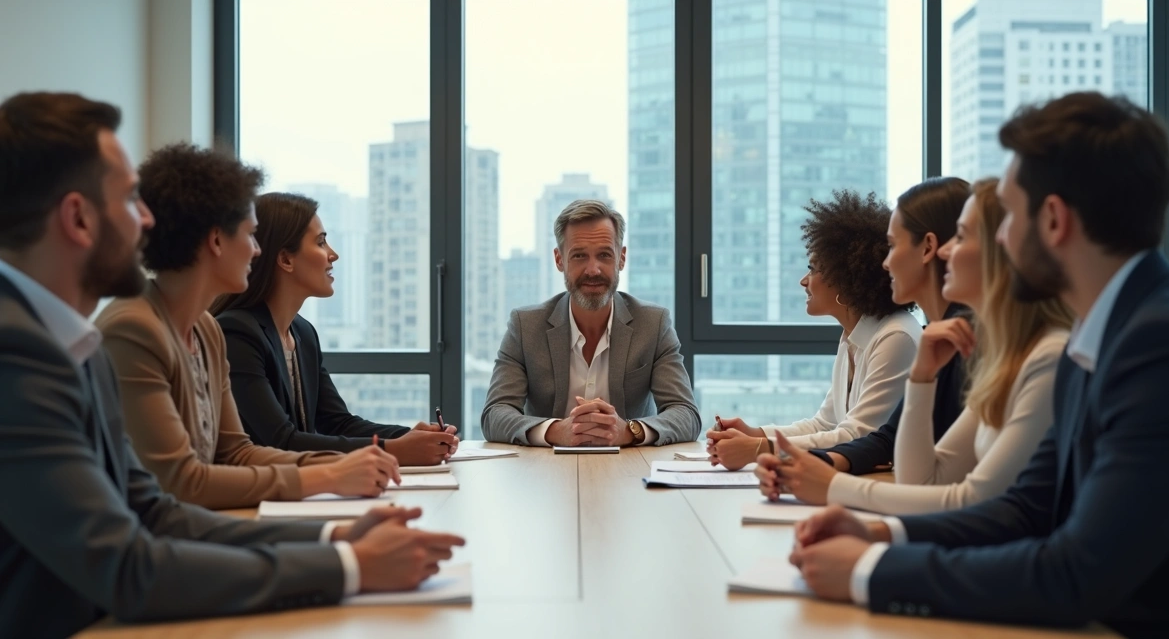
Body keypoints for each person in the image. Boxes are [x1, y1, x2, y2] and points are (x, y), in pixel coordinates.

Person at [0, 92, 464, 638]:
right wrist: (350, 566)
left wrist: (335, 539)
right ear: (78, 218)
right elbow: (129, 564)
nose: (147, 220)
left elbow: (155, 512)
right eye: (130, 200)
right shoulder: (20, 354)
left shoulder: (72, 344)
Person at [781, 93, 1169, 638]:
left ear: (1054, 220)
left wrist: (873, 570)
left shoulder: (1164, 344)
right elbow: (1024, 510)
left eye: (1006, 215)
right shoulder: (1102, 330)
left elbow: (1076, 573)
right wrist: (886, 536)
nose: (997, 239)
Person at [96, 144, 402, 510]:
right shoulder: (134, 330)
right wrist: (328, 475)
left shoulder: (207, 331)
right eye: (251, 235)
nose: (258, 251)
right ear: (216, 240)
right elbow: (181, 482)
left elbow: (237, 453)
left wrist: (351, 463)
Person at [758, 178, 1072, 514]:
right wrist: (921, 378)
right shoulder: (999, 354)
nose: (947, 251)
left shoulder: (1040, 356)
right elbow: (917, 475)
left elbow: (973, 501)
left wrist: (833, 485)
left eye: (962, 238)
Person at [210, 192, 458, 465]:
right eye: (320, 242)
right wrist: (394, 449)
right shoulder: (237, 334)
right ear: (285, 259)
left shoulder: (303, 333)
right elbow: (280, 442)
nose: (333, 254)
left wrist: (413, 437)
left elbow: (338, 423)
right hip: (256, 498)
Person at [708, 190, 921, 469]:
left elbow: (859, 436)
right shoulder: (853, 336)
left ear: (845, 277)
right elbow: (825, 423)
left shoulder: (896, 338)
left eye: (813, 268)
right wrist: (755, 434)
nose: (803, 281)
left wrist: (760, 449)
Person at [481, 199, 699, 446]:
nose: (593, 269)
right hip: (546, 471)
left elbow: (686, 414)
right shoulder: (525, 326)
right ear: (559, 259)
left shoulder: (653, 324)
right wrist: (555, 431)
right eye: (579, 256)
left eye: (604, 255)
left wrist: (628, 431)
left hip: (629, 472)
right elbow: (495, 414)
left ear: (621, 258)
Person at [813, 177, 972, 475]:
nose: (885, 263)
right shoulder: (937, 336)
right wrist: (816, 463)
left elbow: (931, 479)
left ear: (927, 248)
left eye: (891, 246)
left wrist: (820, 474)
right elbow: (888, 438)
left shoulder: (955, 341)